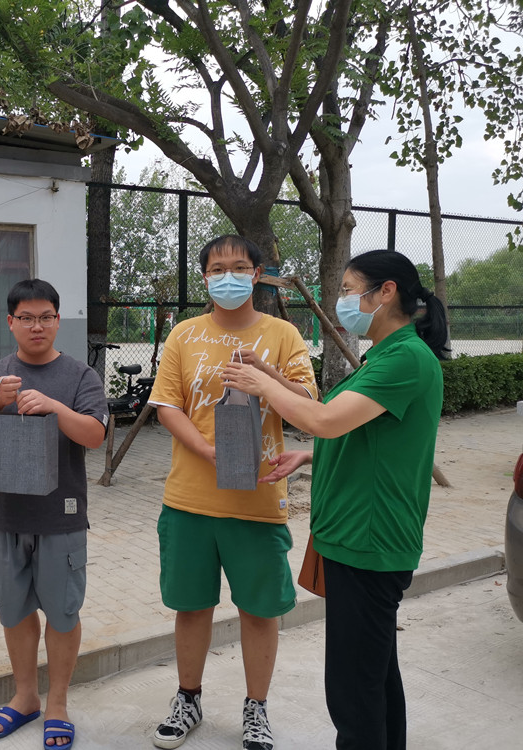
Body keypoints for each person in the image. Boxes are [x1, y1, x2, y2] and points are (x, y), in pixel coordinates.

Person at [222, 249, 447, 750]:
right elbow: (346, 421)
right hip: (356, 535)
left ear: (386, 292)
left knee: (353, 690)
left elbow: (323, 420)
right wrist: (306, 449)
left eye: (348, 290)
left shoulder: (406, 359)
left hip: (369, 540)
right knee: (375, 675)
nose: (342, 300)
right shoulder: (384, 355)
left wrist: (260, 384)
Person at [147, 235, 317, 750]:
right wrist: (206, 449)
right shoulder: (184, 334)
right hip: (189, 500)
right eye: (218, 268)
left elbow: (308, 403)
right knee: (191, 606)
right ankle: (188, 699)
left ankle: (256, 708)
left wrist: (265, 374)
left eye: (239, 267)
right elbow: (167, 405)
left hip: (258, 500)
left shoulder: (283, 334)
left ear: (257, 274)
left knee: (260, 610)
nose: (228, 276)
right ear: (204, 277)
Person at [0, 279, 108, 750]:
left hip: (61, 516)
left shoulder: (80, 376)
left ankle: (57, 704)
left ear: (58, 320)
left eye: (45, 317)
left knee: (63, 613)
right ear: (11, 322)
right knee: (15, 610)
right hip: (6, 516)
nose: (36, 326)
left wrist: (53, 406)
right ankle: (25, 697)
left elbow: (95, 435)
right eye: (26, 318)